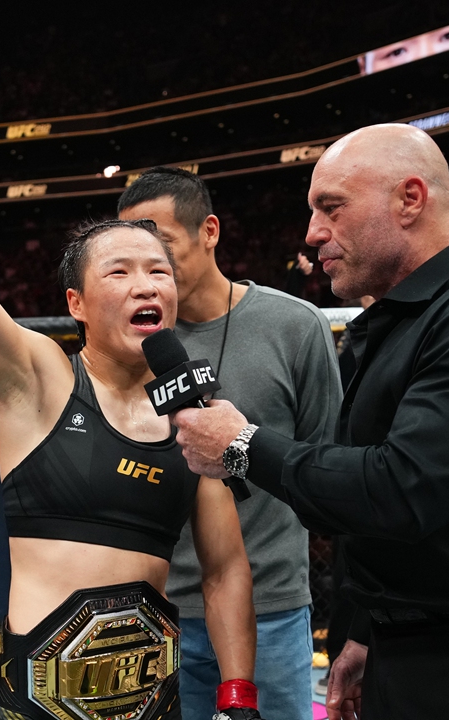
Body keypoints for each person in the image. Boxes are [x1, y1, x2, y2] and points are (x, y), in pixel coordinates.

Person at [0, 6, 259, 719]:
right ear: (78, 303)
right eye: (119, 273)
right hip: (36, 704)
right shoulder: (40, 375)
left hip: (154, 705)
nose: (145, 284)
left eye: (157, 271)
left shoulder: (196, 414)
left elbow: (223, 571)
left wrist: (238, 697)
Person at [170, 124, 449, 720]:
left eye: (332, 208)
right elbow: (376, 518)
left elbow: (403, 490)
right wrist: (368, 631)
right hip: (419, 644)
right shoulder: (394, 325)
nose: (313, 232)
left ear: (410, 200)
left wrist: (242, 444)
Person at [118, 167, 342, 720]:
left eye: (162, 245)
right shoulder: (122, 342)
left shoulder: (295, 327)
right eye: (131, 252)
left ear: (210, 232)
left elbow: (330, 471)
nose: (149, 270)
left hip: (269, 610)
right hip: (150, 612)